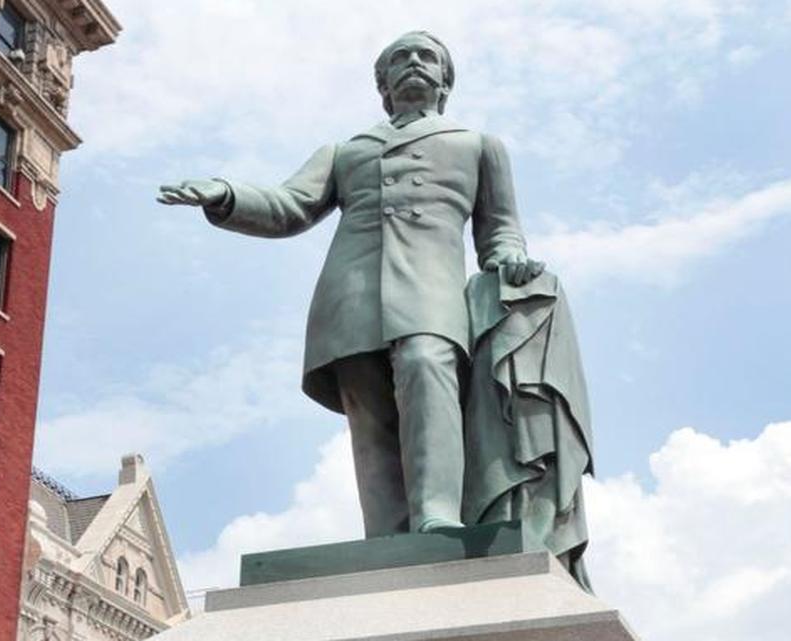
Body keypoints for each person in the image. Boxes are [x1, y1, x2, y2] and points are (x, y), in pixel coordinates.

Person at [158, 31, 543, 537]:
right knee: (369, 412)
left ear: (445, 80)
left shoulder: (477, 145)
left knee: (426, 367)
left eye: (426, 57)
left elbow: (498, 229)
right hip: (351, 296)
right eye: (400, 58)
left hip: (431, 294)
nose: (413, 62)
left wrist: (510, 256)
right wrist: (226, 194)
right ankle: (386, 536)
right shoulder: (347, 150)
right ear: (382, 84)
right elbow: (289, 205)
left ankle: (437, 514)